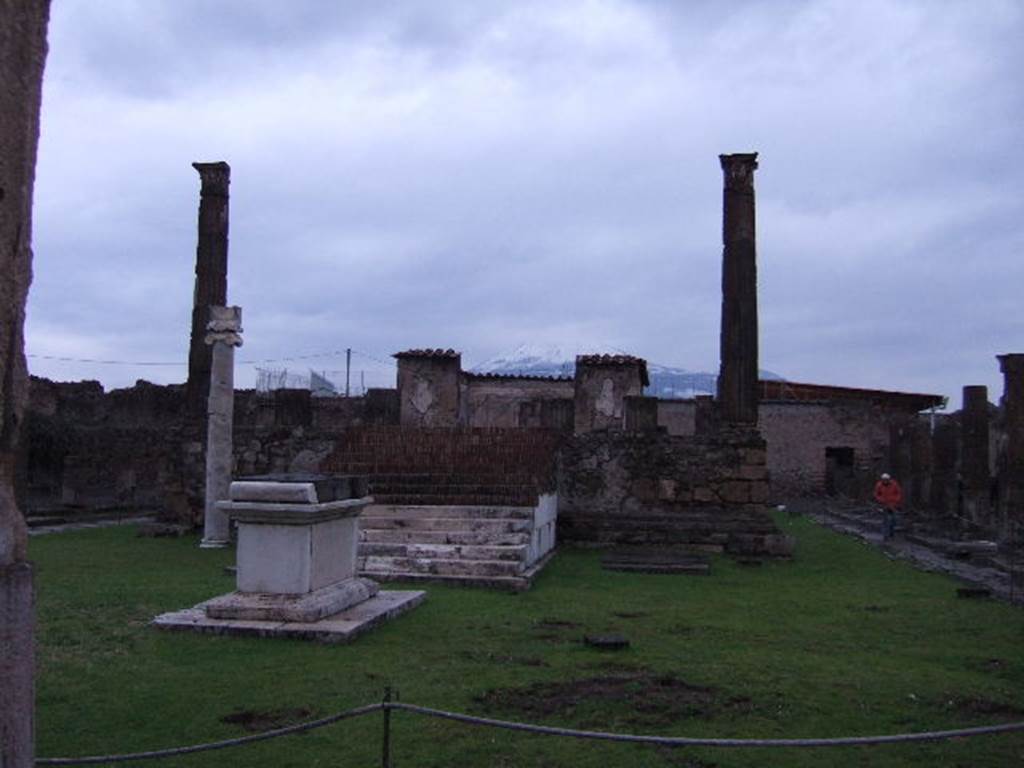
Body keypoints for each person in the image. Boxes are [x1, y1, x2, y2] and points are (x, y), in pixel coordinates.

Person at [873, 472, 903, 540]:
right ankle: (885, 535)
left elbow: (899, 492)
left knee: (893, 520)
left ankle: (891, 533)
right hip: (884, 505)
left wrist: (896, 500)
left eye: (886, 479)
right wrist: (880, 499)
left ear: (889, 479)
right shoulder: (879, 485)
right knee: (886, 520)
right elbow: (876, 494)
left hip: (893, 504)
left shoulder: (894, 484)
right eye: (884, 479)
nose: (885, 481)